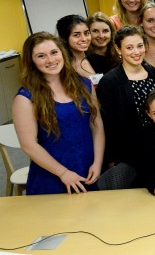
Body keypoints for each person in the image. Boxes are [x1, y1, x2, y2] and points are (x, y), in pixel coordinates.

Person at [13, 32, 104, 195]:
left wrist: (97, 162)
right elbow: (28, 144)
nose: (50, 60)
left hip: (87, 171)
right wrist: (63, 173)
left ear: (62, 53)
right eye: (41, 56)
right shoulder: (26, 98)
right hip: (51, 177)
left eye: (54, 52)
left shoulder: (84, 84)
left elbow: (96, 126)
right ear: (32, 61)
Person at [97, 26, 155, 178]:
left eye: (140, 46)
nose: (136, 52)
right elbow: (107, 125)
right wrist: (111, 159)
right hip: (127, 156)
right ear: (118, 49)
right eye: (129, 47)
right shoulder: (109, 82)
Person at [56, 14, 101, 84]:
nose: (84, 39)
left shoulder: (99, 60)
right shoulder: (60, 67)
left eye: (86, 33)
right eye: (76, 35)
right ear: (65, 38)